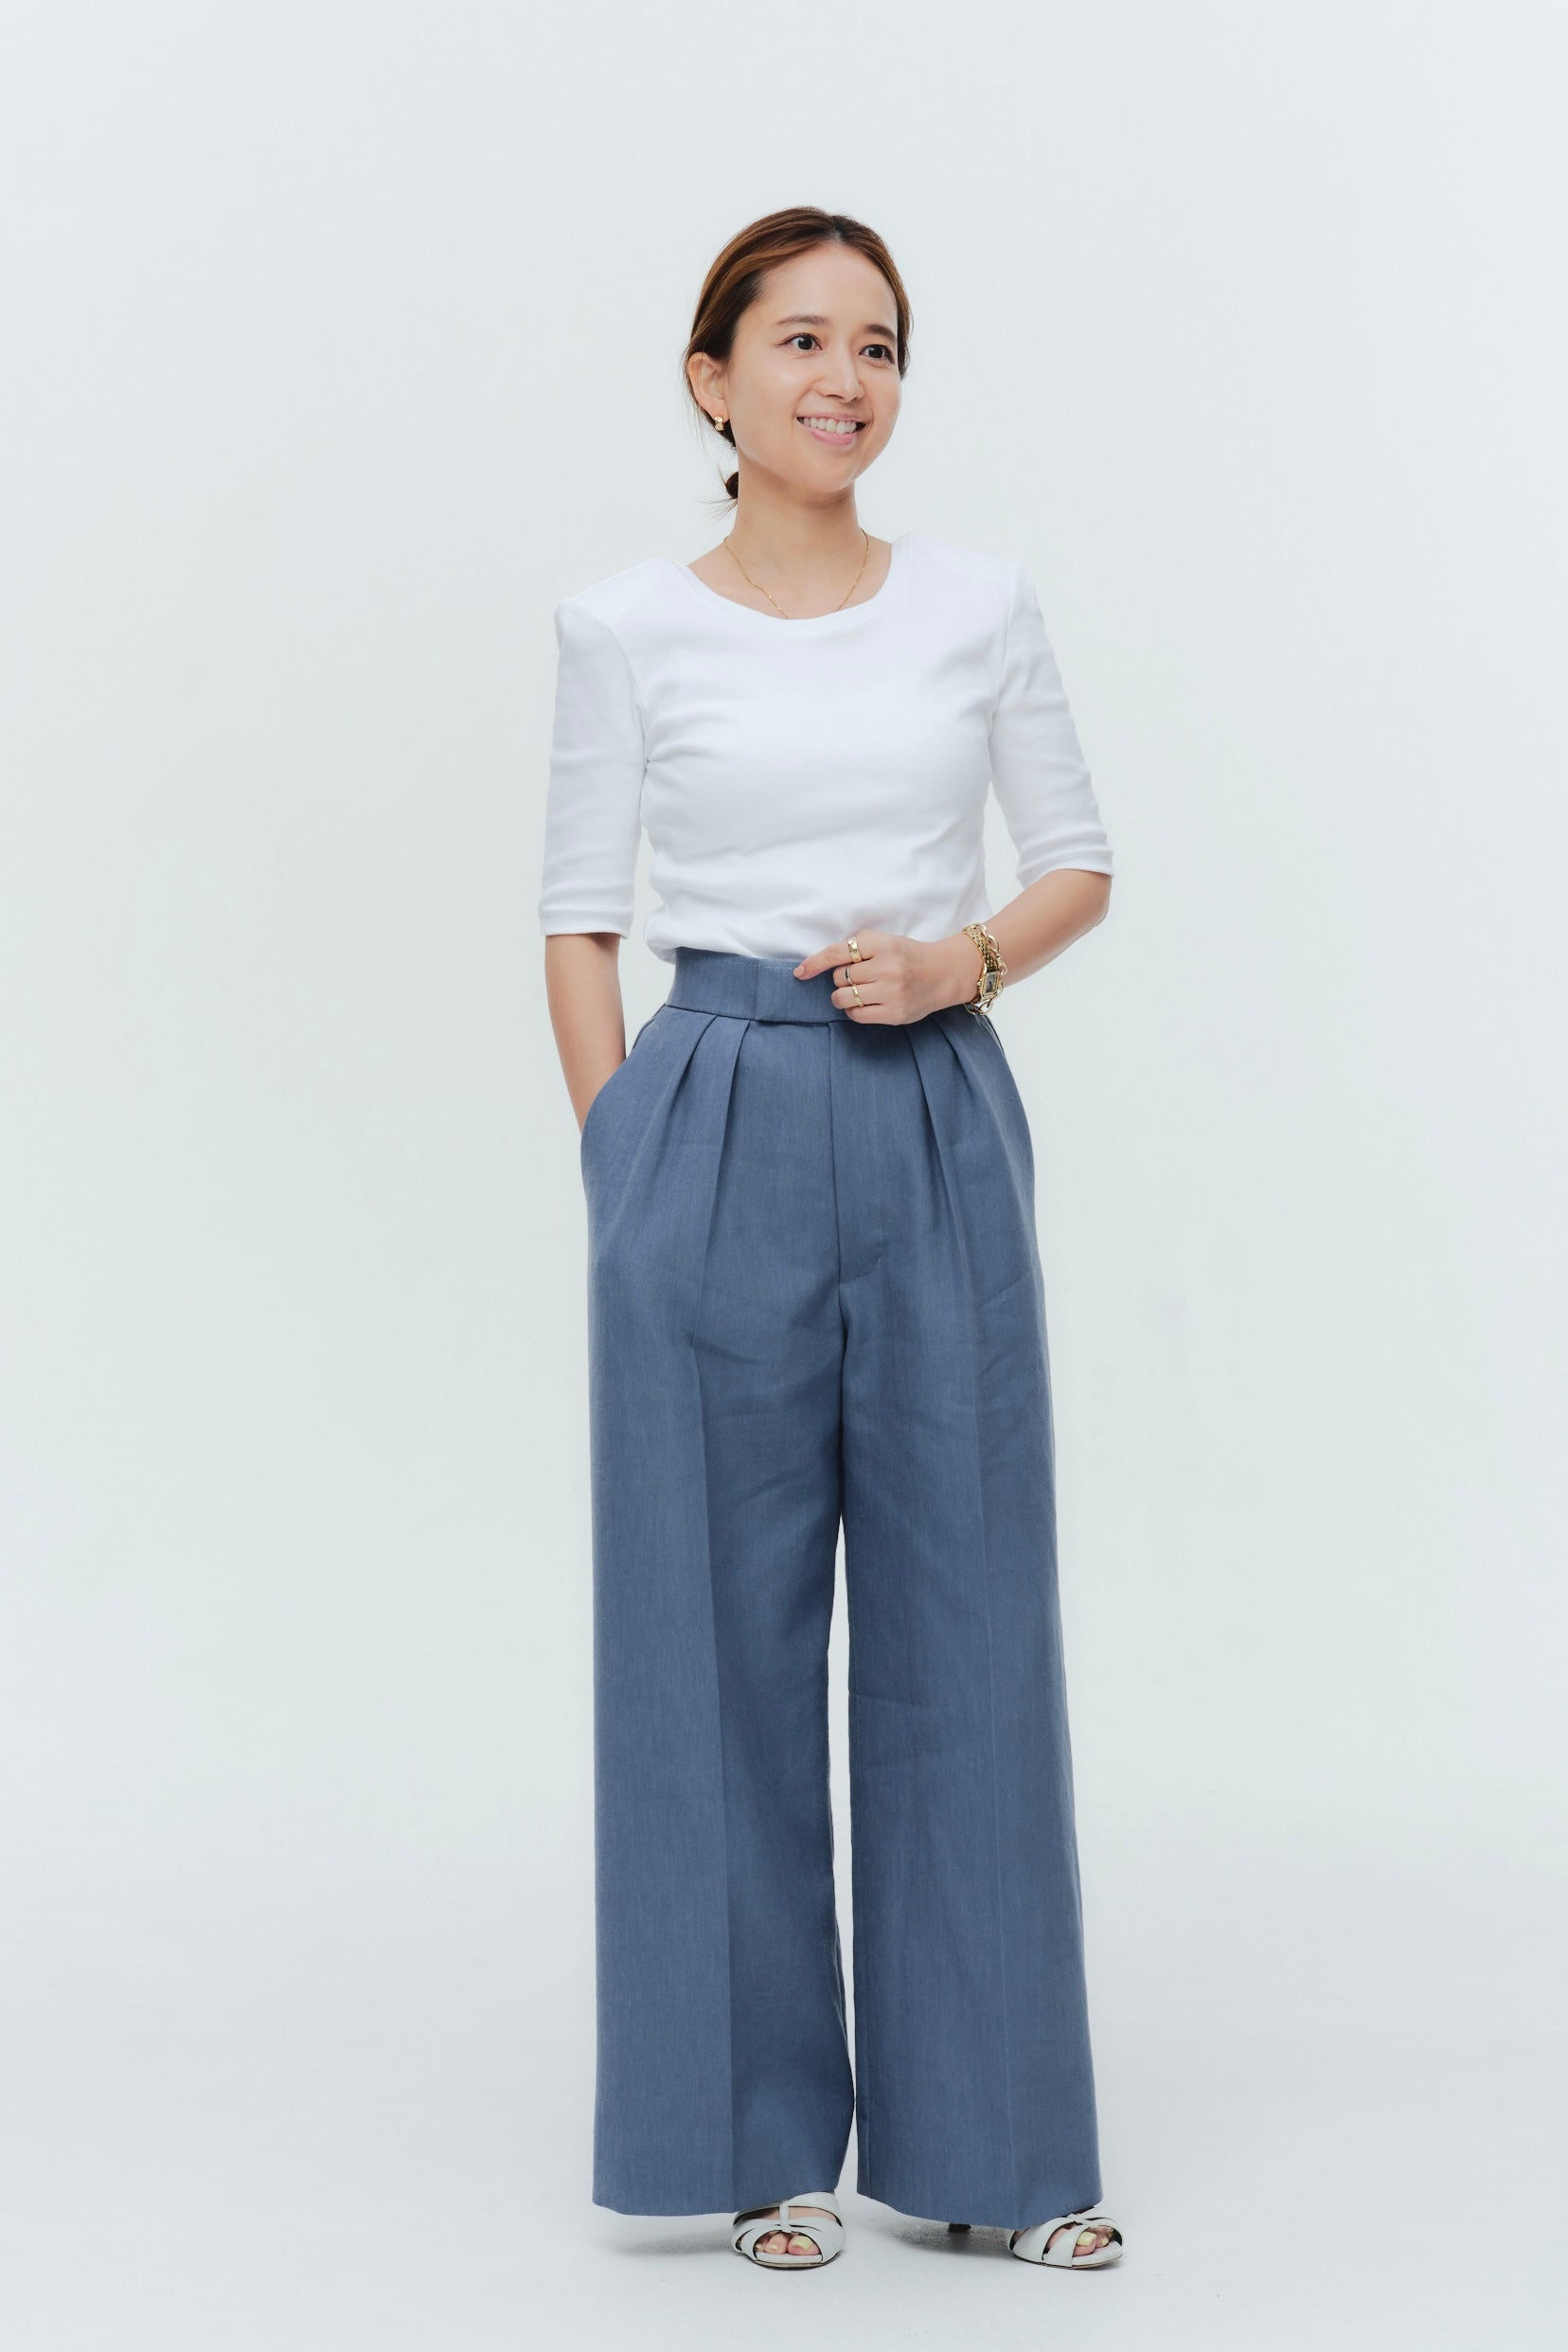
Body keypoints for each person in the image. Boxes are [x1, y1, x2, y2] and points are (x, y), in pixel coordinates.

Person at [538, 205, 1123, 2276]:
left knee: (974, 1625)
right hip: (709, 1110)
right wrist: (626, 1168)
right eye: (798, 341)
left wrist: (964, 960)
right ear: (713, 382)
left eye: (877, 344)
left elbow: (1076, 862)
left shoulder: (980, 604)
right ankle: (751, 2144)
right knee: (708, 1638)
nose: (844, 379)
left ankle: (1002, 2150)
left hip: (936, 1107)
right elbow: (578, 917)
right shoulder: (625, 628)